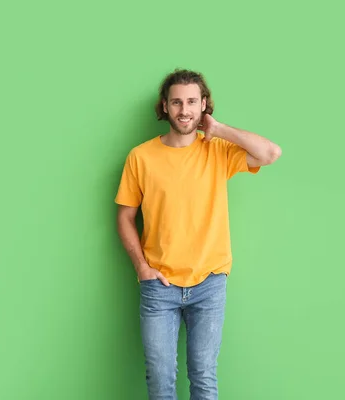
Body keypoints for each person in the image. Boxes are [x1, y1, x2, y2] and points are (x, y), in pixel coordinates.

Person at [114, 69, 281, 400]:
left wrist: (218, 129)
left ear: (204, 105)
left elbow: (270, 153)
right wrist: (141, 268)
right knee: (160, 380)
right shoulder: (141, 157)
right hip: (159, 284)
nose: (184, 110)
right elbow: (125, 216)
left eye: (192, 101)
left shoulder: (217, 150)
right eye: (177, 102)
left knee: (203, 376)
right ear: (165, 107)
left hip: (209, 282)